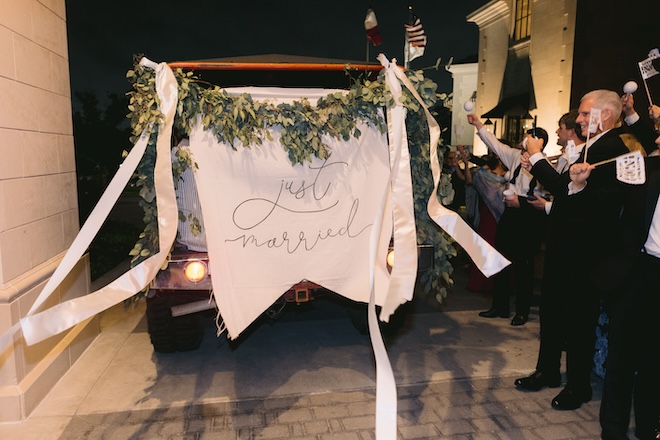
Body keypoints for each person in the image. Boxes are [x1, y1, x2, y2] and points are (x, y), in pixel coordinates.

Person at [514, 90, 629, 410]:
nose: (577, 119)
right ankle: (547, 371)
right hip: (564, 249)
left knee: (579, 322)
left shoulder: (614, 150)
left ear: (605, 115)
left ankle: (579, 386)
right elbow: (568, 193)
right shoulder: (588, 147)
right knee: (551, 313)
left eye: (583, 113)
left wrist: (537, 158)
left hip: (588, 256)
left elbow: (575, 195)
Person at [569, 133, 660, 438]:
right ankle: (613, 431)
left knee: (655, 364)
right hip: (638, 273)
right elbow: (601, 206)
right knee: (620, 361)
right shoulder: (643, 170)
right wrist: (579, 185)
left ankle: (649, 429)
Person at [467, 114, 548, 326]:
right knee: (500, 259)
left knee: (524, 266)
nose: (522, 140)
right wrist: (478, 124)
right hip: (510, 215)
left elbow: (545, 196)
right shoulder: (514, 156)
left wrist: (521, 201)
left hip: (528, 217)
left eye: (527, 138)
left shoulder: (545, 165)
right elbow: (494, 143)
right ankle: (500, 306)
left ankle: (521, 311)